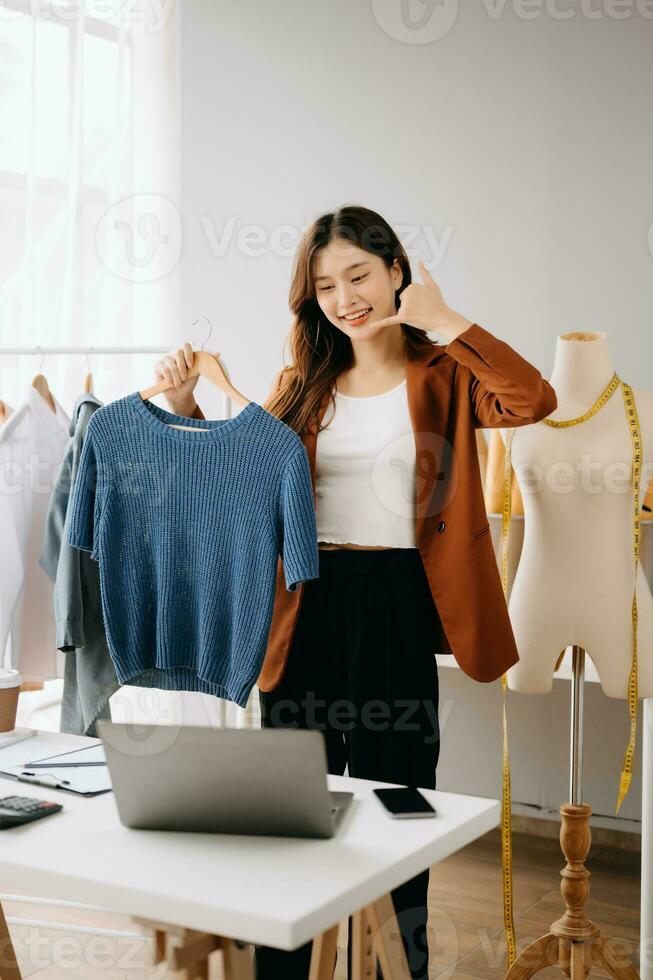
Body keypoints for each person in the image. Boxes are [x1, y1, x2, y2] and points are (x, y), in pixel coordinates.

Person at [154, 203, 557, 980]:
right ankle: (283, 967)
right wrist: (185, 410)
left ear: (396, 271)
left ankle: (389, 969)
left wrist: (447, 321)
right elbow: (241, 483)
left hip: (398, 602)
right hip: (306, 603)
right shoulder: (302, 384)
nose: (345, 298)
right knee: (291, 805)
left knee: (396, 806)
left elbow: (531, 400)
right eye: (325, 285)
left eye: (359, 276)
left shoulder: (444, 375)